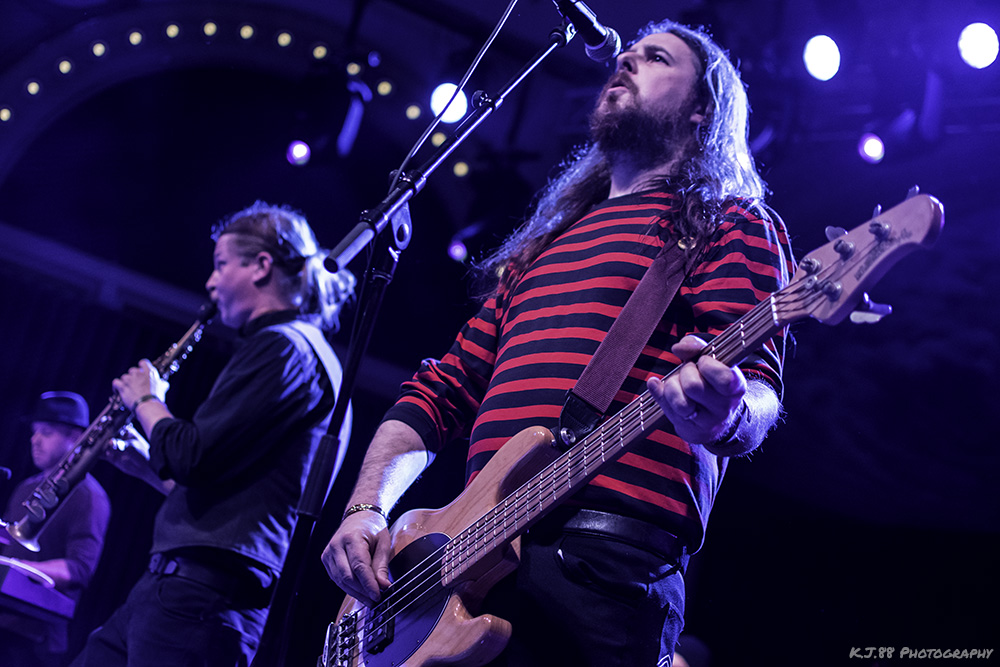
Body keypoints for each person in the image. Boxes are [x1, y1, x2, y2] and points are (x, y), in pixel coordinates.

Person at [322, 18, 794, 667]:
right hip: (462, 565)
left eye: (657, 58)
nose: (626, 60)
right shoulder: (542, 247)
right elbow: (440, 390)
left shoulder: (728, 222)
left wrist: (730, 411)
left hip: (602, 569)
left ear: (701, 111)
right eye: (628, 53)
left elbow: (759, 391)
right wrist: (365, 509)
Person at [70, 202, 355, 667]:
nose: (210, 281)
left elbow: (190, 455)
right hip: (180, 591)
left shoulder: (284, 347)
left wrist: (147, 399)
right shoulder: (300, 351)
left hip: (198, 599)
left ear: (261, 266)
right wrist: (147, 463)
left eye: (221, 264)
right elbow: (230, 488)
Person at [1, 391, 110, 666]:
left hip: (34, 639)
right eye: (34, 432)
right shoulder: (26, 487)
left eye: (46, 432)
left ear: (75, 438)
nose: (34, 440)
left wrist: (16, 568)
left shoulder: (89, 496)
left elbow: (79, 569)